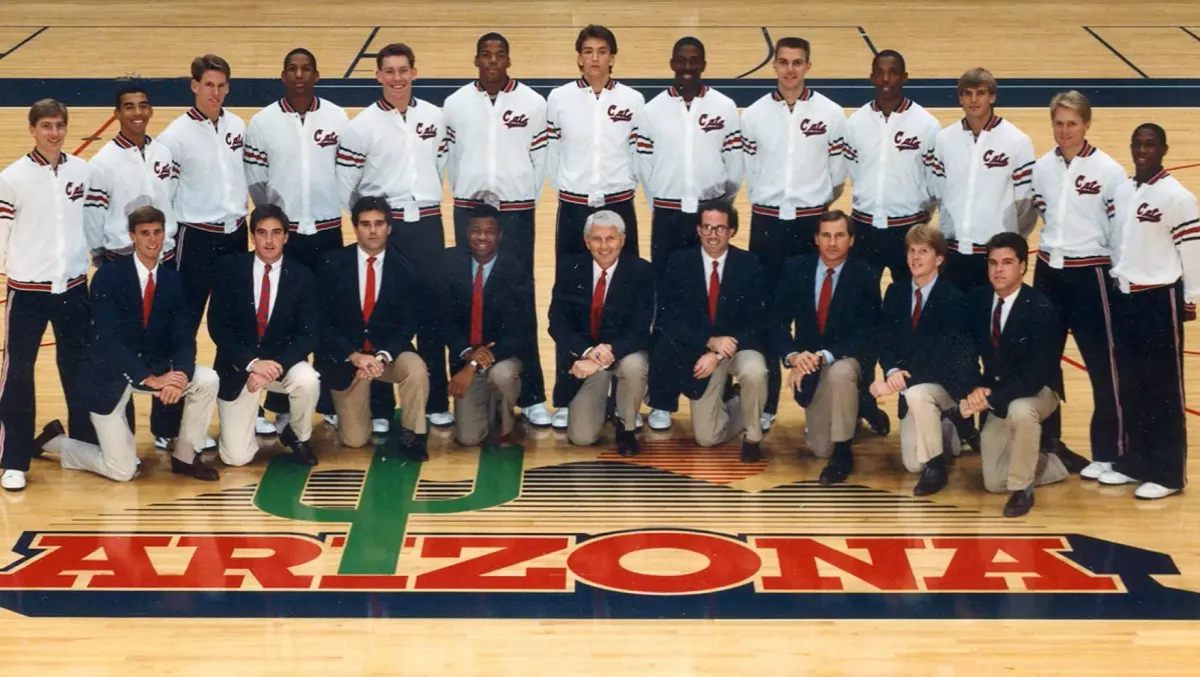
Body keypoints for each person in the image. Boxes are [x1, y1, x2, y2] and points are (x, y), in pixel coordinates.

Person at [35, 206, 220, 482]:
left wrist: (180, 374)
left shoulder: (172, 280)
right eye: (145, 233)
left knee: (207, 380)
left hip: (154, 368)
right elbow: (108, 340)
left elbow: (184, 335)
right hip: (109, 374)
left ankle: (185, 455)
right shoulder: (108, 277)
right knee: (123, 471)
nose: (153, 240)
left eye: (157, 232)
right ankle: (54, 442)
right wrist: (149, 378)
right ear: (132, 236)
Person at [84, 84, 210, 452]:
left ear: (150, 110)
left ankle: (165, 428)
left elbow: (170, 199)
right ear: (117, 113)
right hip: (123, 261)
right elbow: (93, 216)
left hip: (163, 259)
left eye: (142, 105)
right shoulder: (103, 162)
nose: (137, 112)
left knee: (164, 345)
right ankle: (121, 436)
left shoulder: (162, 152)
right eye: (128, 107)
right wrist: (101, 253)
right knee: (124, 347)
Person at [336, 42, 452, 429]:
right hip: (388, 227)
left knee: (434, 313)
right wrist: (375, 222)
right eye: (390, 71)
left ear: (414, 73)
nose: (397, 78)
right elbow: (348, 185)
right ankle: (383, 408)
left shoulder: (435, 117)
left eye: (404, 70)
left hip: (429, 224)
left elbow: (440, 162)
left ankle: (436, 400)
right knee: (382, 311)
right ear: (378, 76)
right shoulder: (360, 126)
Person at [442, 34, 553, 429]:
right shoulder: (455, 104)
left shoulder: (533, 103)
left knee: (520, 299)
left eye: (499, 54)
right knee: (464, 293)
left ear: (508, 59)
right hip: (469, 210)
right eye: (485, 55)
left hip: (517, 212)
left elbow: (541, 159)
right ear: (476, 59)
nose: (492, 61)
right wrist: (470, 195)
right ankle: (461, 381)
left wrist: (518, 194)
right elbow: (450, 158)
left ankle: (534, 394)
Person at [740, 36, 847, 430]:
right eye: (783, 62)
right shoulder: (752, 115)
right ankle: (766, 405)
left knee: (812, 312)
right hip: (767, 223)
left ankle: (814, 403)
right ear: (774, 66)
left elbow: (837, 176)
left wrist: (813, 202)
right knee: (767, 310)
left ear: (808, 66)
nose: (790, 70)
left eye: (797, 62)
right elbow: (746, 169)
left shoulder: (832, 114)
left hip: (809, 224)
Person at [245, 47, 352, 436]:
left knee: (327, 317)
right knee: (279, 319)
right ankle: (277, 403)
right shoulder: (262, 123)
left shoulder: (337, 117)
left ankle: (324, 401)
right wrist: (275, 225)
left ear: (317, 74)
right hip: (285, 236)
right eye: (293, 69)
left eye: (307, 68)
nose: (300, 75)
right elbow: (256, 180)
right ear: (283, 76)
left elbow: (347, 172)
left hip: (326, 232)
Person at [0, 99, 99, 491]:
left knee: (77, 370)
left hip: (73, 287)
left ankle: (82, 446)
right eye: (46, 126)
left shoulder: (82, 171)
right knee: (19, 375)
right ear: (32, 130)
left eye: (59, 125)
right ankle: (14, 458)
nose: (54, 133)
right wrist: (21, 268)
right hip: (27, 291)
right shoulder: (12, 178)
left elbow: (91, 222)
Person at [1029, 91, 1127, 477]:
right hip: (1049, 273)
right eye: (1059, 123)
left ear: (1086, 124)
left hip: (1092, 276)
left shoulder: (1110, 171)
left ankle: (1110, 452)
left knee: (1102, 366)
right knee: (1044, 365)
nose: (1065, 131)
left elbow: (1119, 232)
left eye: (1072, 123)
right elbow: (1040, 212)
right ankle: (1050, 444)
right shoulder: (1041, 168)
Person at [1098, 123, 1199, 500]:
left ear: (1163, 149)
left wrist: (1190, 298)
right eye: (1137, 144)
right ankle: (1134, 463)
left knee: (1164, 390)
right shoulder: (1123, 190)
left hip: (1159, 299)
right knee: (1131, 385)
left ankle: (1169, 474)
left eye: (1150, 144)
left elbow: (1192, 253)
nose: (1143, 150)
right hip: (1125, 297)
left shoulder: (1177, 197)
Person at [959, 233, 1083, 517]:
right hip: (997, 392)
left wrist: (989, 401)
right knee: (992, 481)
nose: (998, 270)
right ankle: (1053, 462)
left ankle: (1022, 489)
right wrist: (973, 389)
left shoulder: (1041, 308)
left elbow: (1036, 374)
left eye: (1007, 262)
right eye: (992, 263)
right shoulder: (977, 300)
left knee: (1020, 409)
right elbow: (963, 349)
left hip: (1039, 391)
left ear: (1023, 266)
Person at [769, 210, 881, 484]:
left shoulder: (865, 274)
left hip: (845, 359)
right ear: (816, 238)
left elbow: (868, 332)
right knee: (820, 448)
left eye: (840, 235)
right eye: (826, 235)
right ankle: (858, 407)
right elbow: (776, 323)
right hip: (808, 363)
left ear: (851, 240)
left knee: (840, 373)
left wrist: (825, 355)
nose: (833, 243)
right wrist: (793, 356)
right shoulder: (795, 269)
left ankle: (844, 452)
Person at [316, 197, 430, 461]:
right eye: (365, 224)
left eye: (379, 224)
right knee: (355, 441)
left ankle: (413, 433)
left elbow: (408, 323)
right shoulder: (332, 264)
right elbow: (323, 322)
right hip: (350, 361)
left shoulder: (405, 268)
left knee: (415, 369)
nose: (373, 230)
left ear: (389, 228)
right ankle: (352, 410)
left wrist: (382, 356)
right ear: (355, 228)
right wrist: (354, 356)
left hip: (386, 358)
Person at [868, 224, 978, 496]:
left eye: (924, 252)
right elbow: (886, 340)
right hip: (913, 387)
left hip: (946, 386)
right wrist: (891, 369)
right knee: (911, 464)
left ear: (939, 258)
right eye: (911, 251)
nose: (915, 258)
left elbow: (943, 358)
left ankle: (936, 466)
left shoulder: (954, 299)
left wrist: (895, 385)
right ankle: (950, 428)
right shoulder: (896, 293)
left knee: (917, 394)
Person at [207, 204, 320, 467]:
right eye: (262, 233)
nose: (269, 241)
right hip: (239, 369)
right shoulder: (229, 269)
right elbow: (218, 327)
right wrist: (252, 363)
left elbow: (309, 334)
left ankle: (299, 436)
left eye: (276, 233)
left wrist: (276, 365)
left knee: (308, 380)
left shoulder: (302, 275)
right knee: (236, 458)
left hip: (282, 367)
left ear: (286, 236)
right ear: (252, 236)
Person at [657, 201, 768, 462]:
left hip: (739, 347)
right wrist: (708, 342)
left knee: (755, 371)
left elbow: (759, 320)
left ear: (732, 231)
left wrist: (719, 352)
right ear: (698, 230)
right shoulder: (679, 262)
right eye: (706, 227)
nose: (712, 234)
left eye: (719, 228)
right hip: (700, 350)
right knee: (707, 438)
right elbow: (668, 319)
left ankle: (753, 436)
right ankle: (742, 402)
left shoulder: (750, 264)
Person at [156, 54, 249, 334]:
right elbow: (164, 195)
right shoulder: (173, 137)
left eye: (222, 86)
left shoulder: (237, 126)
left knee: (233, 321)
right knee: (185, 320)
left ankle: (229, 378)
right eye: (209, 85)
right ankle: (180, 376)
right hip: (196, 238)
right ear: (194, 86)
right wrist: (167, 244)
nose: (216, 93)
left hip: (235, 235)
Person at [548, 210, 653, 454]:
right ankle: (605, 404)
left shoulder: (641, 271)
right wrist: (588, 351)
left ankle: (626, 427)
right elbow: (557, 322)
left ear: (623, 240)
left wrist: (607, 354)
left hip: (623, 353)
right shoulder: (570, 267)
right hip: (588, 355)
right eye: (597, 239)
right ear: (586, 241)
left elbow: (642, 329)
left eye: (611, 239)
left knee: (635, 365)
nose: (604, 246)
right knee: (582, 437)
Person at [636, 36, 742, 273]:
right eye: (682, 61)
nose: (687, 67)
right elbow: (644, 164)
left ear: (703, 65)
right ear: (672, 63)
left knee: (708, 282)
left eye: (694, 61)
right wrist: (660, 202)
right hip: (667, 214)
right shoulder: (651, 110)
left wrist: (721, 204)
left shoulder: (724, 107)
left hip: (708, 215)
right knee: (665, 284)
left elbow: (735, 163)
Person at [925, 68, 1036, 292]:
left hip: (994, 256)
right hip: (953, 252)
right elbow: (937, 192)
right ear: (960, 98)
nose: (974, 100)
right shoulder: (944, 140)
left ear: (992, 96)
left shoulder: (1017, 141)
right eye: (967, 93)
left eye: (981, 93)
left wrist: (1007, 241)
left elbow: (1026, 204)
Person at [438, 204, 537, 446]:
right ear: (466, 233)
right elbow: (444, 319)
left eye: (489, 231)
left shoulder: (516, 268)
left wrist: (472, 364)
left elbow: (521, 330)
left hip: (502, 357)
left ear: (500, 235)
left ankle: (506, 418)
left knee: (502, 376)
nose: (482, 237)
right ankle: (488, 405)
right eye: (475, 230)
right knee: (469, 438)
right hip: (466, 356)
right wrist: (467, 355)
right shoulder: (449, 262)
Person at [546, 24, 645, 263]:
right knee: (571, 278)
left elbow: (638, 152)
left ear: (611, 59)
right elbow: (552, 151)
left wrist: (628, 183)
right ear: (580, 59)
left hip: (618, 202)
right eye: (588, 52)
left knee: (624, 279)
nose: (595, 58)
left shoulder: (633, 100)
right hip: (574, 204)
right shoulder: (559, 98)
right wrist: (564, 186)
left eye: (602, 52)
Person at [843, 50, 941, 287]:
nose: (886, 79)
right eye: (880, 73)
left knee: (910, 297)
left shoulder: (927, 124)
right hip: (864, 227)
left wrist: (922, 212)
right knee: (861, 301)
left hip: (909, 230)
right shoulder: (855, 122)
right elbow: (854, 171)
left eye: (893, 73)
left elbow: (935, 179)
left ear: (905, 77)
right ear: (872, 77)